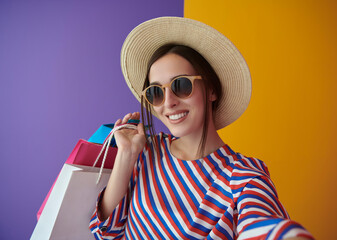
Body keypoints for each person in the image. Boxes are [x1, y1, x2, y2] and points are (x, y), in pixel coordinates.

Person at [89, 17, 314, 240]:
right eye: (156, 92)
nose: (168, 102)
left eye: (181, 85)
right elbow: (106, 233)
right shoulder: (147, 152)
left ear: (211, 91)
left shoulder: (242, 177)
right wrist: (126, 154)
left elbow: (264, 225)